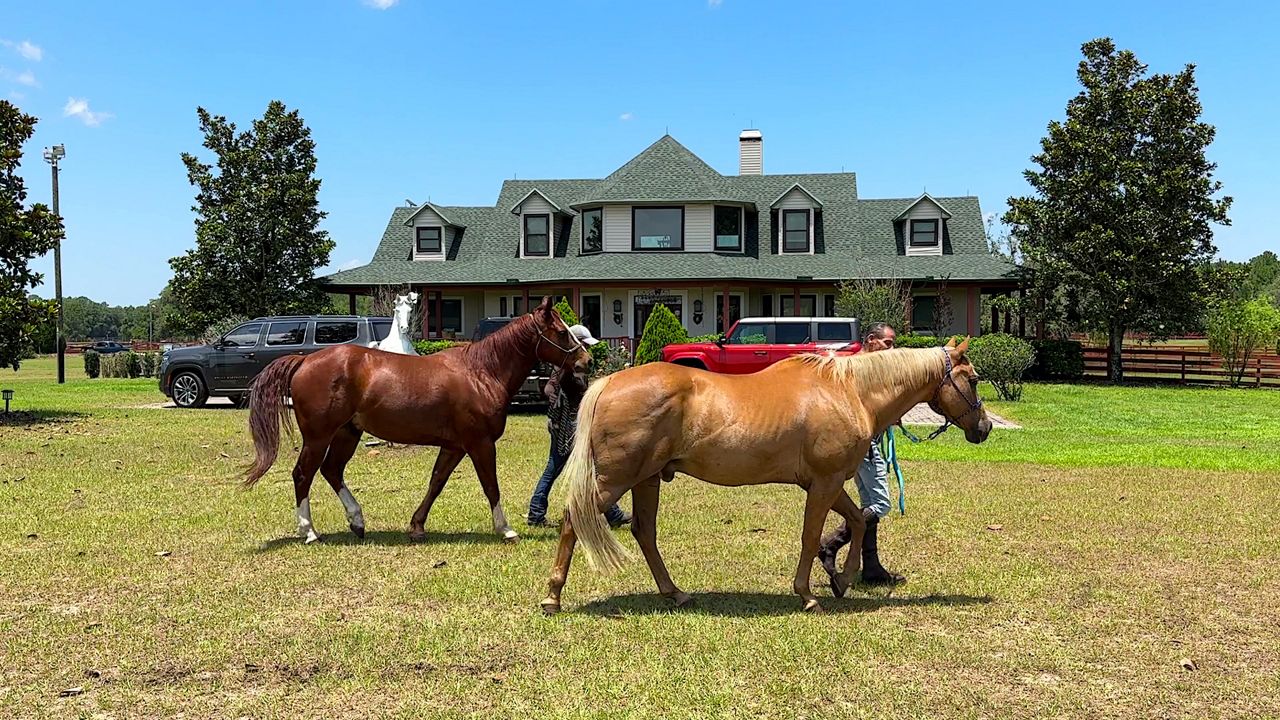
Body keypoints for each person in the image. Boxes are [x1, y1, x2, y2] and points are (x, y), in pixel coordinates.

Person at [818, 321, 906, 585]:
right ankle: (830, 544)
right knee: (880, 504)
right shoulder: (856, 369)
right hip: (864, 446)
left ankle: (872, 567)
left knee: (870, 504)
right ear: (871, 340)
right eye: (888, 343)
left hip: (869, 443)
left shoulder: (870, 369)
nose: (892, 349)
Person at [525, 324, 631, 529]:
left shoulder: (574, 366)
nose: (586, 350)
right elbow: (549, 388)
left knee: (581, 466)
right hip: (565, 425)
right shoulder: (564, 367)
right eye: (583, 344)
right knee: (561, 466)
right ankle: (536, 513)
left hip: (571, 424)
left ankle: (611, 513)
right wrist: (561, 403)